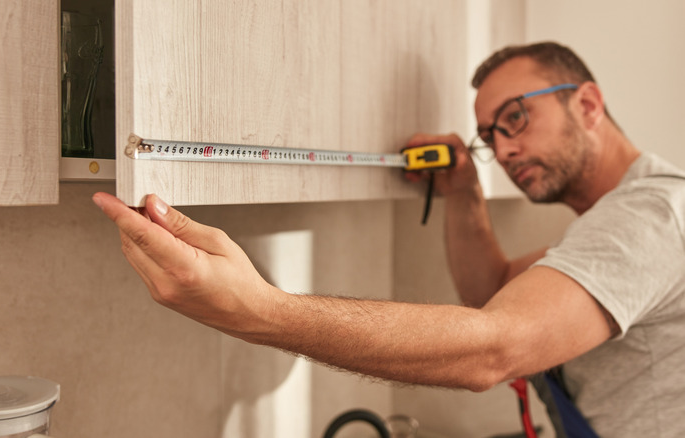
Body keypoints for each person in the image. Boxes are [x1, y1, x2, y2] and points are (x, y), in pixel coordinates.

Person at [92, 42, 685, 437]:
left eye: (515, 118)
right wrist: (463, 194)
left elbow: (496, 347)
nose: (502, 149)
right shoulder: (616, 218)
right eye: (488, 134)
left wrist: (259, 310)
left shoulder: (651, 216)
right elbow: (500, 292)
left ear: (587, 103)